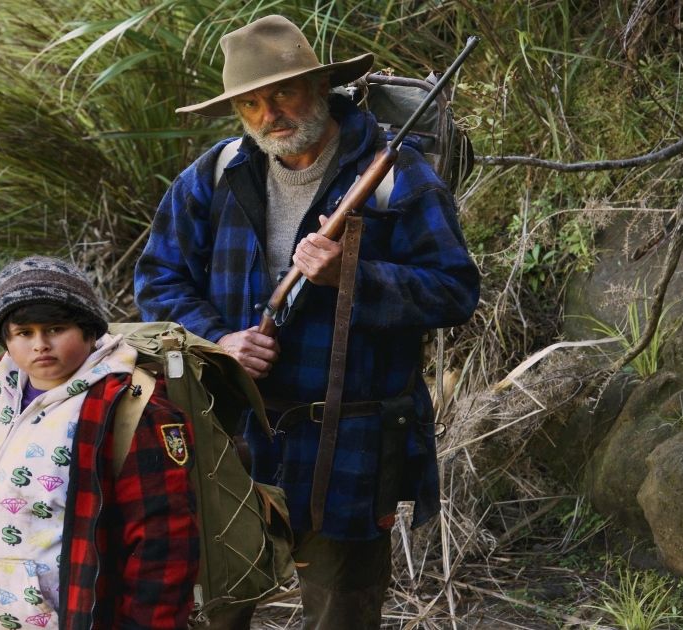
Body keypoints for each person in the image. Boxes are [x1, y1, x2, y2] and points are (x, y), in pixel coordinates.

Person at [134, 15, 480, 629]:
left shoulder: (397, 174)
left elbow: (454, 292)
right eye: (250, 103)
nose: (270, 114)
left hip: (350, 441)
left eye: (283, 93)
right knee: (222, 605)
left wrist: (355, 273)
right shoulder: (216, 175)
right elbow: (157, 280)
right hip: (235, 434)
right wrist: (218, 342)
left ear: (320, 88)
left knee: (341, 615)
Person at [0, 256, 199, 630]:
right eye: (24, 333)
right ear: (6, 338)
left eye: (55, 328)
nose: (40, 345)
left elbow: (163, 543)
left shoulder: (131, 408)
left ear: (88, 331)